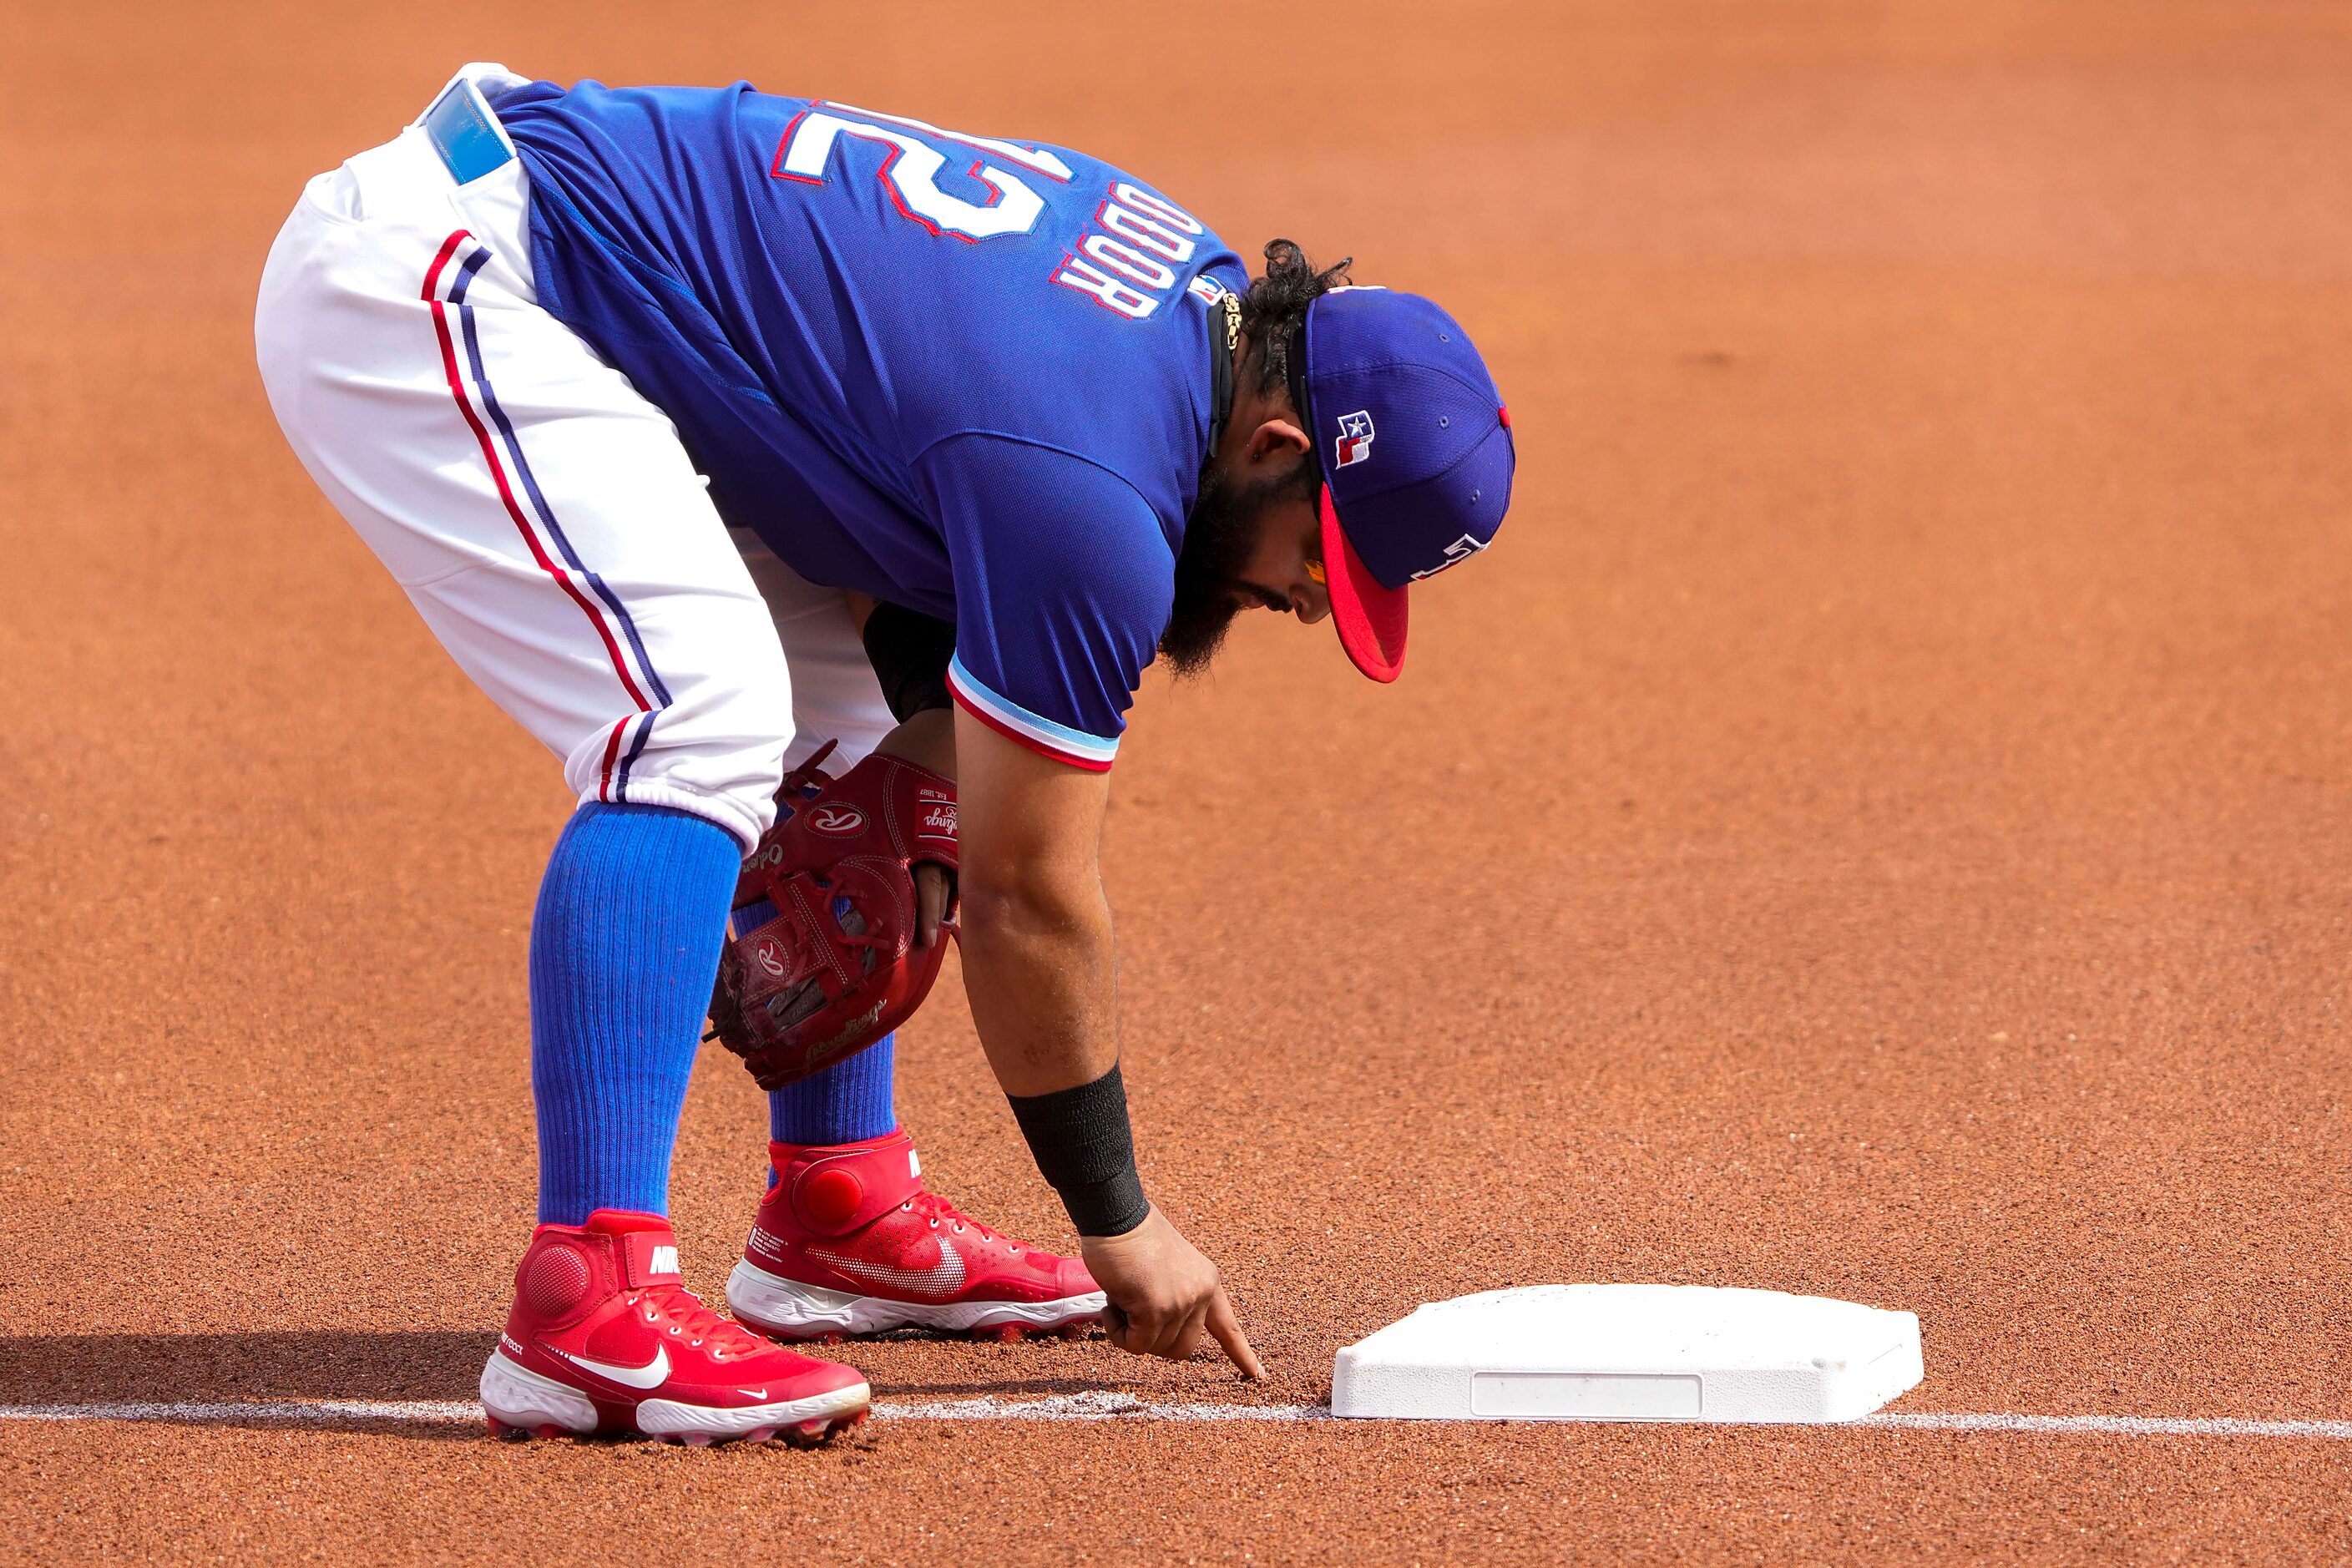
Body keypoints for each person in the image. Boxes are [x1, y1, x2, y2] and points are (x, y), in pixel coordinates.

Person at [255, 63, 1515, 1445]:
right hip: (451, 271)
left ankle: (835, 1206)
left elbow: (899, 478)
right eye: (1320, 558)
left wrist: (910, 759)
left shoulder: (1188, 317)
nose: (1309, 602)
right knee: (696, 718)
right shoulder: (1091, 489)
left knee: (862, 741)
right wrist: (1122, 1219)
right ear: (1278, 444)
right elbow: (1029, 898)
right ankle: (586, 1301)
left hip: (587, 270)